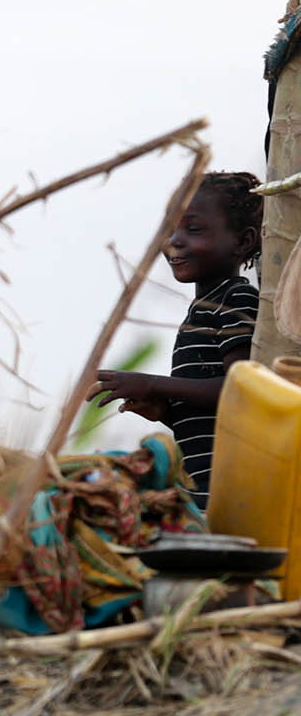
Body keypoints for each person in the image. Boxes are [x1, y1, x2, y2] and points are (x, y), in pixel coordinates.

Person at [93, 171, 263, 509]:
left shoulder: (236, 298)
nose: (174, 240)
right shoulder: (203, 309)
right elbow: (212, 420)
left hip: (229, 497)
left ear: (243, 242)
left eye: (193, 229)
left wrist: (153, 384)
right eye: (169, 228)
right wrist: (168, 413)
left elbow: (239, 392)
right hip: (203, 494)